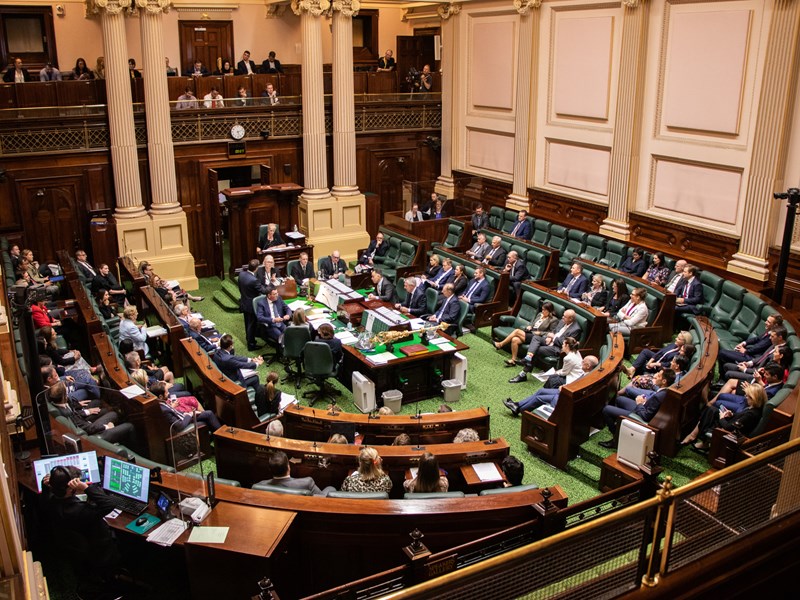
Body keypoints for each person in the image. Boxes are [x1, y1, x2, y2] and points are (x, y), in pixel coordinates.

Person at [599, 369, 676, 447]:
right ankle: (620, 428)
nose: (655, 376)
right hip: (644, 407)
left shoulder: (659, 396)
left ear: (664, 381)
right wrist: (644, 402)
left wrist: (640, 403)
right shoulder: (665, 391)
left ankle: (617, 437)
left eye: (659, 376)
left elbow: (645, 417)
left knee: (606, 409)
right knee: (619, 399)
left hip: (641, 416)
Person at [681, 383, 767, 452]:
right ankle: (700, 439)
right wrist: (731, 414)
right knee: (711, 410)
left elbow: (728, 428)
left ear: (754, 398)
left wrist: (722, 418)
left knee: (711, 413)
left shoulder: (751, 414)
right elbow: (740, 418)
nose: (745, 397)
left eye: (748, 396)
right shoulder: (752, 407)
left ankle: (699, 439)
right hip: (731, 423)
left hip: (729, 433)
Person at [48, 381, 138, 447]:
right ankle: (134, 448)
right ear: (64, 396)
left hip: (86, 425)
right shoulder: (67, 414)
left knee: (113, 414)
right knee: (129, 426)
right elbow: (89, 429)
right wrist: (107, 427)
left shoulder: (58, 403)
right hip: (92, 435)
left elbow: (74, 410)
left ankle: (120, 436)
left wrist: (82, 408)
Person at [504, 355, 599, 417]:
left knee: (539, 398)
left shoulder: (588, 378)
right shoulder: (588, 374)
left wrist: (565, 389)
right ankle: (517, 404)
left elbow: (578, 391)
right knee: (541, 391)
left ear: (587, 366)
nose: (581, 362)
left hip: (567, 398)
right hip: (565, 392)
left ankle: (519, 409)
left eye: (583, 362)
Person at [509, 309, 582, 383]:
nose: (562, 317)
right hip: (551, 341)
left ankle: (522, 374)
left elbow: (566, 343)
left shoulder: (576, 329)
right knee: (536, 338)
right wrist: (549, 337)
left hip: (558, 348)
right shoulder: (563, 321)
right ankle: (528, 357)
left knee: (537, 349)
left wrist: (553, 338)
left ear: (571, 318)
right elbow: (555, 331)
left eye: (565, 317)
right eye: (563, 315)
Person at [212, 334, 272, 416]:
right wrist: (257, 363)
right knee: (255, 378)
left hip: (226, 375)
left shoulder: (218, 352)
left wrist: (251, 359)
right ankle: (257, 401)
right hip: (234, 381)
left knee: (254, 377)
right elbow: (241, 365)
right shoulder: (227, 359)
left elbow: (236, 358)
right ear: (230, 346)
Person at [494, 300, 558, 366]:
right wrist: (530, 326)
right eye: (542, 309)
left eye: (544, 310)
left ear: (549, 310)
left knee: (517, 331)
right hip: (531, 332)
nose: (542, 311)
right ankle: (513, 360)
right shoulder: (539, 315)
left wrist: (540, 333)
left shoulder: (553, 320)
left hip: (538, 337)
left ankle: (500, 344)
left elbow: (551, 333)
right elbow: (533, 324)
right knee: (515, 340)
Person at [717, 314, 783, 374]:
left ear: (775, 325)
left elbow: (758, 347)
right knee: (725, 354)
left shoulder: (772, 337)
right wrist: (744, 343)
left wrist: (745, 351)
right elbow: (756, 339)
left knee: (722, 353)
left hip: (751, 357)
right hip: (749, 353)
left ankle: (721, 378)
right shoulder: (770, 331)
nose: (765, 323)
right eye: (766, 320)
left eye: (768, 322)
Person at [153, 381, 222, 432]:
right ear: (160, 396)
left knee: (207, 414)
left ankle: (217, 435)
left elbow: (175, 412)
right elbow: (180, 426)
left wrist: (185, 413)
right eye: (166, 392)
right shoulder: (164, 410)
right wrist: (190, 414)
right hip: (183, 423)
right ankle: (222, 437)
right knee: (208, 415)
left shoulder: (161, 404)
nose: (168, 393)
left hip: (183, 417)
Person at [255, 451, 333, 496]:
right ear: (289, 467)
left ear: (270, 469)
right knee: (330, 489)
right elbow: (321, 498)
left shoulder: (259, 486)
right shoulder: (307, 483)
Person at [627, 330, 693, 379]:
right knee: (645, 351)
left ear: (684, 342)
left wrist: (654, 364)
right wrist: (651, 361)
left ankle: (634, 378)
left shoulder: (681, 355)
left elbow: (669, 364)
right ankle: (632, 369)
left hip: (661, 366)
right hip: (659, 359)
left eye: (678, 339)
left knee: (643, 365)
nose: (676, 339)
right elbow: (661, 351)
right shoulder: (674, 344)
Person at [239, 259, 266, 350]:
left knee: (248, 324)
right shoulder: (254, 280)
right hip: (251, 306)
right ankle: (251, 345)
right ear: (256, 268)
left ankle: (250, 340)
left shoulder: (242, 274)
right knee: (251, 325)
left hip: (244, 302)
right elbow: (263, 291)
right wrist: (272, 284)